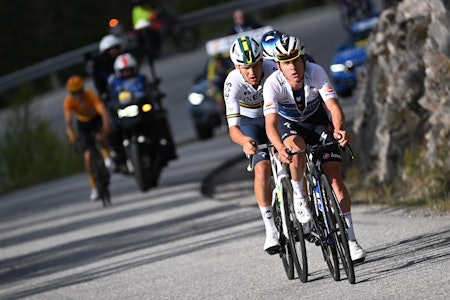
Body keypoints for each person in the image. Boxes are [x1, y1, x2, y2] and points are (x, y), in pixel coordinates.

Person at [263, 34, 366, 262]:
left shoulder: (315, 71)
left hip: (316, 120)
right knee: (296, 153)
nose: (293, 67)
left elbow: (333, 106)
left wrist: (339, 129)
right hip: (289, 124)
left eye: (296, 60)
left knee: (335, 178)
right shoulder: (272, 83)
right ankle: (300, 195)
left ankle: (351, 240)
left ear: (303, 59)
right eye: (286, 62)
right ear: (278, 65)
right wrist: (280, 147)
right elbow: (270, 125)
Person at [224, 36, 279, 254]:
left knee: (293, 153)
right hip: (250, 122)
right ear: (237, 66)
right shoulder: (232, 81)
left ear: (262, 60)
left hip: (275, 115)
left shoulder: (273, 68)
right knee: (262, 168)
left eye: (256, 64)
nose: (252, 71)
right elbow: (233, 129)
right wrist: (245, 141)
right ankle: (270, 230)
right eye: (246, 67)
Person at [108, 53, 177, 162]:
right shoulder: (114, 84)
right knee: (112, 126)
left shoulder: (141, 79)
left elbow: (150, 91)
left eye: (129, 70)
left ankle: (165, 145)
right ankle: (116, 153)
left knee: (159, 118)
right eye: (124, 71)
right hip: (125, 113)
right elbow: (111, 99)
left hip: (142, 111)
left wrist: (154, 94)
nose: (127, 73)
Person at [63, 75, 111, 201]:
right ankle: (94, 188)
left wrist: (105, 127)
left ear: (83, 90)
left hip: (96, 120)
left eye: (79, 92)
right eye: (74, 93)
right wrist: (72, 137)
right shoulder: (69, 101)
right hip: (83, 124)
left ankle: (106, 156)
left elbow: (103, 112)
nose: (77, 96)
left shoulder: (90, 95)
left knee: (100, 137)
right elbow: (68, 122)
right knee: (88, 156)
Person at [88, 34, 129, 173]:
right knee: (110, 126)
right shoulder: (100, 66)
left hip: (130, 97)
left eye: (116, 49)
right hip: (112, 101)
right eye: (111, 50)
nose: (114, 52)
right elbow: (99, 85)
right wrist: (104, 97)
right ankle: (116, 154)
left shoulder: (125, 61)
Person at [131, 0, 161, 79]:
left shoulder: (146, 7)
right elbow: (148, 16)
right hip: (141, 32)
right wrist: (153, 14)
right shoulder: (137, 9)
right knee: (142, 50)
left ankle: (154, 51)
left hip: (148, 28)